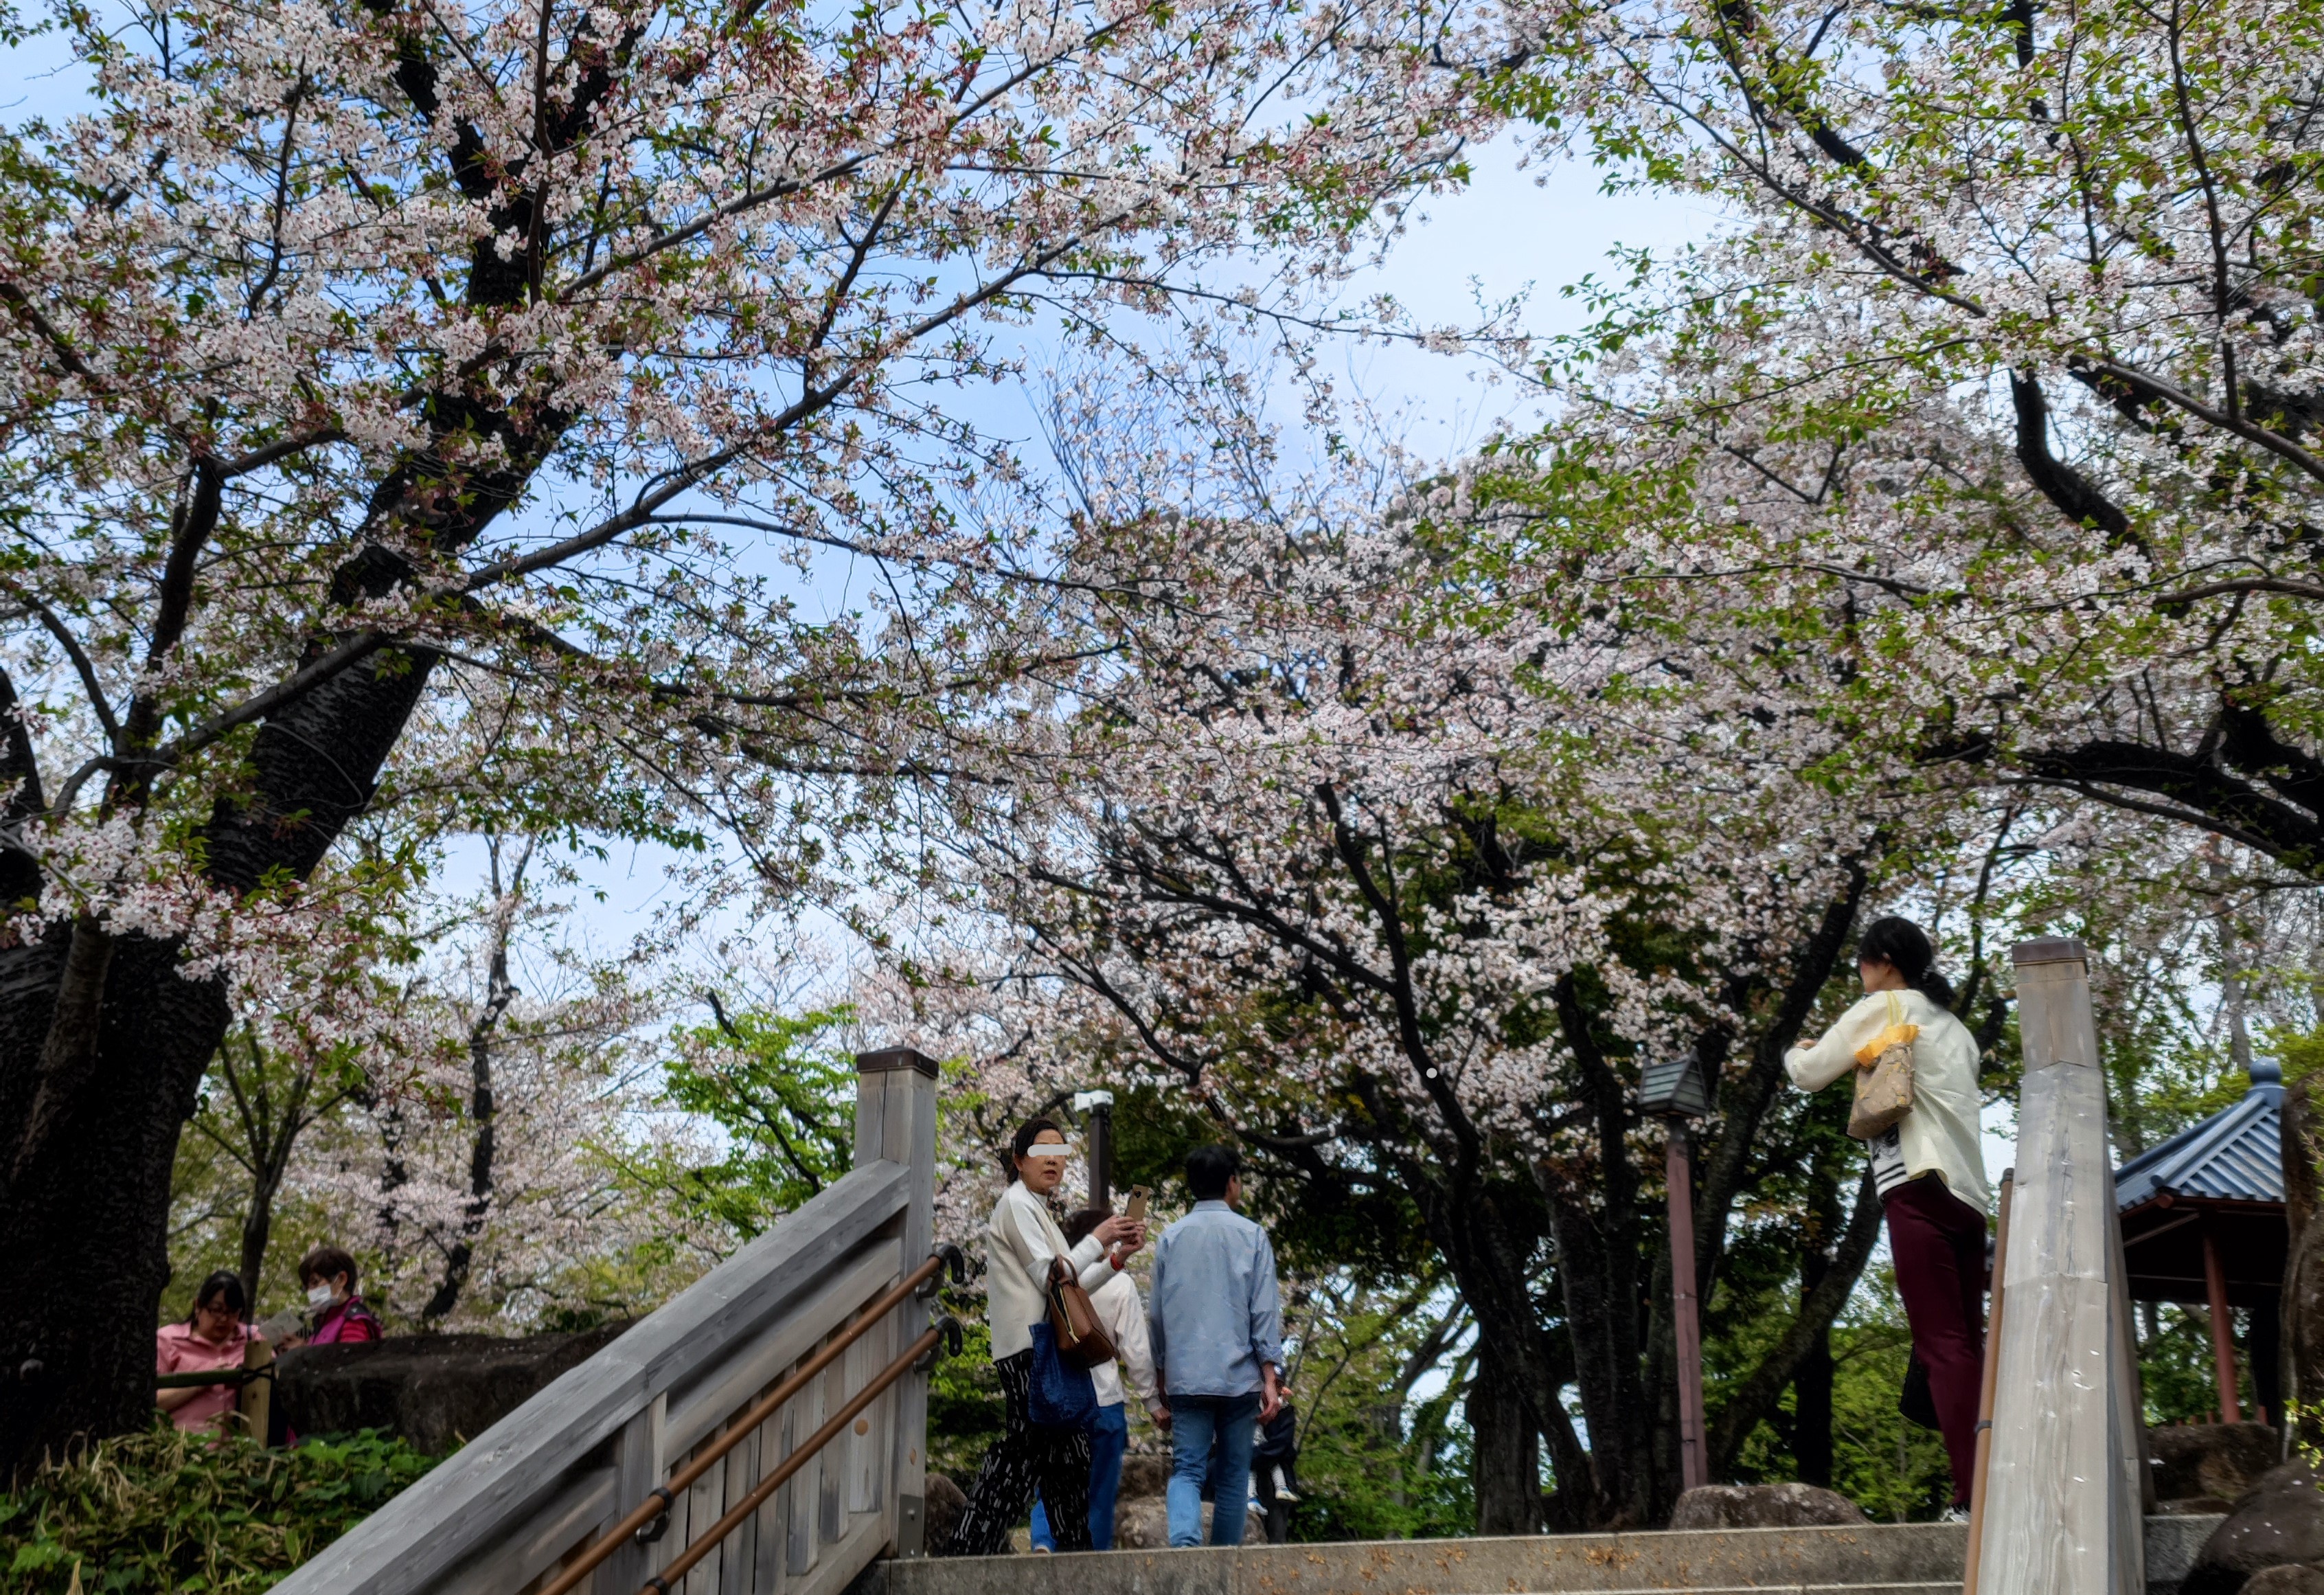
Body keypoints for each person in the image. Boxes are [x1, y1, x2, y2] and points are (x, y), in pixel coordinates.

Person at [1786, 915, 1988, 1521]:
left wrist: (1790, 1050)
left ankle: (1973, 1496)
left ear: (1885, 962)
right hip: (1969, 1201)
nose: (1860, 975)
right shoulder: (1958, 1030)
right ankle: (1985, 1480)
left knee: (1943, 1347)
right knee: (1966, 1347)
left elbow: (1811, 1073)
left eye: (1862, 964)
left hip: (1917, 1188)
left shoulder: (1887, 1005)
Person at [944, 1120, 1146, 1555]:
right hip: (1029, 1349)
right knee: (1029, 1450)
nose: (1052, 1159)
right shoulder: (1016, 1204)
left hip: (1042, 1347)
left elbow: (1067, 1286)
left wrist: (1115, 1259)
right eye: (1040, 1152)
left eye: (1060, 1151)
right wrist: (1098, 1238)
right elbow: (1052, 1274)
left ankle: (1075, 1549)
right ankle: (968, 1547)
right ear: (1019, 1160)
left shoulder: (1036, 1208)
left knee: (1067, 1455)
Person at [1150, 1143, 1284, 1548]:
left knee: (1186, 1469)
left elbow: (1156, 1315)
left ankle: (1186, 1547)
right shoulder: (1253, 1236)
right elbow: (1263, 1315)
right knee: (1232, 1475)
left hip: (1186, 1377)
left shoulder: (1170, 1237)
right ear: (1231, 1183)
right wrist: (1270, 1378)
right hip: (1239, 1379)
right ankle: (1222, 1567)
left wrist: (1160, 1375)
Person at [1029, 1206, 1165, 1552]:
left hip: (1057, 1398)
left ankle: (1044, 1541)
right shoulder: (1119, 1285)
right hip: (1104, 1403)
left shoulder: (1049, 1284)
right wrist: (1152, 1401)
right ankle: (1093, 1563)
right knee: (1100, 1493)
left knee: (1054, 1479)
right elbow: (1136, 1351)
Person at [155, 1270, 264, 1435]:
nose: (223, 1319)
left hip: (238, 1452)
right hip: (180, 1448)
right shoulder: (168, 1340)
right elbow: (151, 1401)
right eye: (216, 1310)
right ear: (198, 1306)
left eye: (232, 1312)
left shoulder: (253, 1340)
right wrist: (204, 1380)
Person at [276, 1245, 383, 1349]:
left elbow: (348, 1365)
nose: (310, 1291)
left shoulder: (353, 1323)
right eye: (307, 1287)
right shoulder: (325, 1321)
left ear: (341, 1280)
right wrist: (302, 1349)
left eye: (315, 1282)